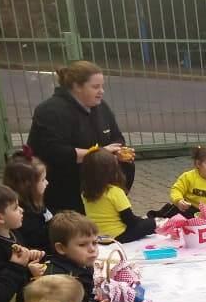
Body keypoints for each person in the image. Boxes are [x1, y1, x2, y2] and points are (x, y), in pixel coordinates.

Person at [44, 212, 200, 302]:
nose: (92, 249)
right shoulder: (57, 277)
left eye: (94, 242)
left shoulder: (82, 265)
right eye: (83, 245)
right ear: (61, 248)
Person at [27, 61, 134, 214]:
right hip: (63, 186)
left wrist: (118, 151)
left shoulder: (101, 107)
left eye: (102, 86)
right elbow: (55, 153)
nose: (101, 91)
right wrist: (100, 153)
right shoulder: (50, 111)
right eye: (95, 87)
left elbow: (116, 136)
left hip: (94, 181)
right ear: (77, 86)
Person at [81, 148, 155, 243]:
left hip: (97, 236)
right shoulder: (115, 192)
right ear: (113, 170)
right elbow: (130, 221)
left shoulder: (85, 192)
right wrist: (144, 221)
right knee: (151, 223)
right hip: (117, 236)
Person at [3, 151, 52, 253]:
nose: (47, 183)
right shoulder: (23, 216)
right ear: (27, 185)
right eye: (43, 180)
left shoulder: (36, 202)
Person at [164, 146, 206, 216]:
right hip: (185, 209)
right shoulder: (188, 176)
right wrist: (179, 200)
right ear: (198, 164)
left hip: (203, 216)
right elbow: (177, 189)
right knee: (168, 215)